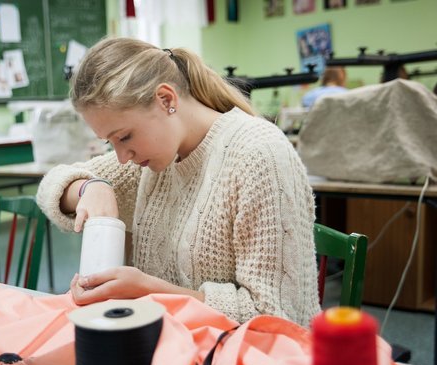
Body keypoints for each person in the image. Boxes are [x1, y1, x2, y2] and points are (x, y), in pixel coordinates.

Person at [36, 37, 320, 326]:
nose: (122, 157)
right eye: (110, 142)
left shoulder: (258, 154)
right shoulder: (153, 158)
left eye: (124, 137)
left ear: (166, 100)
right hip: (179, 349)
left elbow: (276, 317)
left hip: (259, 359)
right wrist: (90, 187)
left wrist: (149, 292)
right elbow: (52, 184)